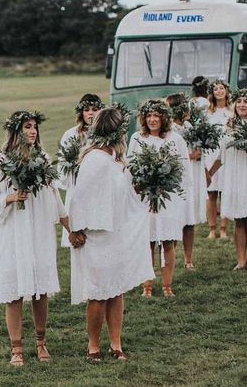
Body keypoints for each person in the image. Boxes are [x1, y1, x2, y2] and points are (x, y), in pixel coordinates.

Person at [0, 110, 71, 366]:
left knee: (40, 290)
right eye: (28, 127)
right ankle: (17, 348)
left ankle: (41, 342)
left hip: (37, 230)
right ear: (16, 131)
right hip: (11, 233)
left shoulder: (41, 158)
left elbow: (53, 196)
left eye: (35, 127)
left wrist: (69, 226)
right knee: (14, 292)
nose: (33, 131)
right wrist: (11, 197)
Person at [69, 107, 153, 361]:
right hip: (97, 234)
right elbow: (79, 198)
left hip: (117, 232)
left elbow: (125, 195)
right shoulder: (94, 159)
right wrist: (75, 230)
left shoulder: (116, 160)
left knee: (116, 290)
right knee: (98, 293)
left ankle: (116, 344)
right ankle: (93, 345)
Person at [127, 99, 192, 296]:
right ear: (143, 118)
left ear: (164, 117)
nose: (153, 119)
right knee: (147, 242)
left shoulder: (175, 139)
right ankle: (146, 285)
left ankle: (166, 285)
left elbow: (184, 170)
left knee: (167, 241)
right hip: (145, 198)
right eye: (149, 116)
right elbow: (130, 168)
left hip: (168, 197)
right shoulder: (137, 138)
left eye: (156, 115)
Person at [207, 89, 247, 271]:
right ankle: (240, 260)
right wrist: (210, 173)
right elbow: (221, 155)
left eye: (246, 101)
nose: (242, 105)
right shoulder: (230, 125)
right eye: (239, 101)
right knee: (238, 220)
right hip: (235, 176)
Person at [58, 94, 104, 247]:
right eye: (86, 110)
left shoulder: (105, 135)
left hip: (99, 189)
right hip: (77, 188)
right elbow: (62, 165)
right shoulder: (70, 134)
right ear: (81, 112)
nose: (91, 113)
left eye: (95, 109)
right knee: (79, 238)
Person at [166, 92, 203, 270]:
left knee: (189, 219)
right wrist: (190, 155)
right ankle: (169, 255)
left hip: (192, 174)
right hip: (176, 177)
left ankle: (189, 259)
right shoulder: (169, 130)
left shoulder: (189, 126)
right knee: (174, 219)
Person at [205, 79, 232, 239]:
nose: (219, 91)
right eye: (216, 89)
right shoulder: (208, 112)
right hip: (211, 154)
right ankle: (212, 229)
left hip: (227, 154)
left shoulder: (232, 111)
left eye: (221, 88)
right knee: (211, 193)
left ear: (226, 91)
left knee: (225, 192)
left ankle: (223, 229)